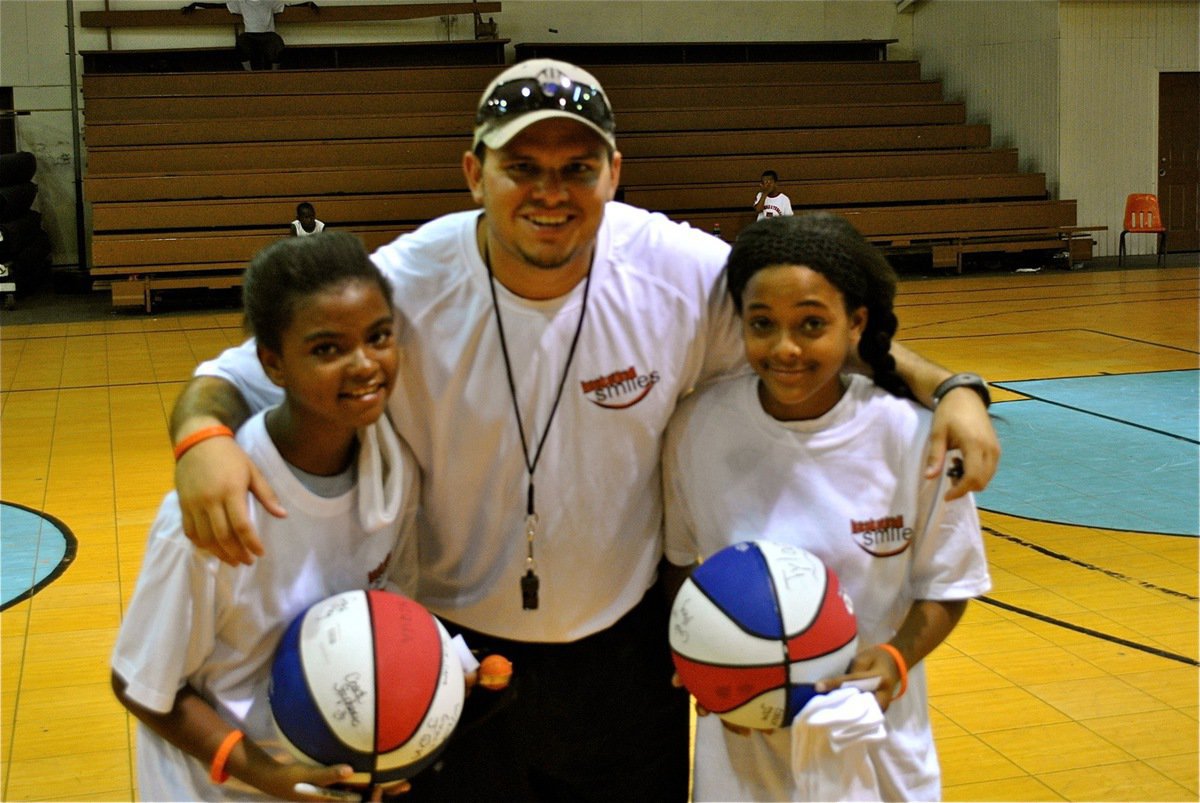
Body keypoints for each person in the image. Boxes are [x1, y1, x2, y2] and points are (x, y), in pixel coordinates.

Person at [167, 59, 999, 801]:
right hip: (454, 650)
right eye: (521, 167)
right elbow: (231, 376)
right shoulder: (405, 281)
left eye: (579, 167)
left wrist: (950, 386)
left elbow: (811, 326)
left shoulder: (677, 270)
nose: (551, 192)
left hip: (626, 655)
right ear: (472, 171)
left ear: (615, 173)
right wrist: (202, 442)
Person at [663, 212, 991, 802]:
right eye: (762, 324)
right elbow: (681, 567)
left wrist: (896, 655)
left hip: (877, 749)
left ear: (855, 323)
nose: (785, 348)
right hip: (743, 763)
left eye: (811, 324)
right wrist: (708, 667)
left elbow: (948, 582)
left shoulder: (912, 436)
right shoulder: (695, 429)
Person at [111, 232, 421, 802]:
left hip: (329, 777)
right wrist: (262, 774)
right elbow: (138, 682)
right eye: (327, 349)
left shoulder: (391, 465)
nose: (365, 365)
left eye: (379, 337)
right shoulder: (214, 511)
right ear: (272, 364)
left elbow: (379, 611)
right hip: (220, 789)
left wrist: (446, 677)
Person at [183, 1, 318, 71]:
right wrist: (197, 4)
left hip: (268, 34)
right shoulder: (241, 2)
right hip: (250, 36)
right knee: (241, 43)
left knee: (278, 44)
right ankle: (249, 74)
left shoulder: (269, 1)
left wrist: (307, 4)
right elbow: (220, 6)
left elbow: (287, 7)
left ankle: (275, 74)